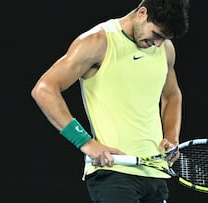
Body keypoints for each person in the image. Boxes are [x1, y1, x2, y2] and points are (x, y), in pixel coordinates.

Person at [31, 0, 190, 202]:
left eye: (165, 38)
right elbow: (44, 90)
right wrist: (85, 142)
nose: (158, 43)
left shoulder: (165, 49)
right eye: (157, 34)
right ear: (142, 13)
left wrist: (172, 138)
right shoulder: (97, 42)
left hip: (156, 175)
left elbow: (172, 95)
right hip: (114, 173)